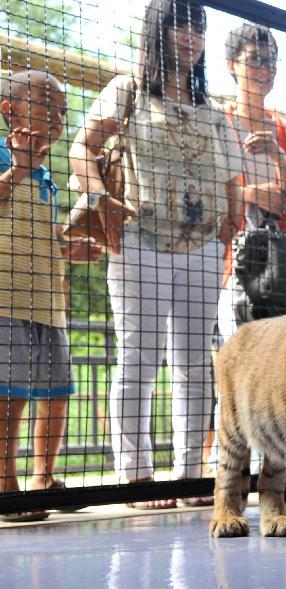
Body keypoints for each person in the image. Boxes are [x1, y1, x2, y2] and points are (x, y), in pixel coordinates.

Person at [70, 0, 244, 508]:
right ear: (159, 30)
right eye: (180, 26)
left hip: (203, 248)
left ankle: (190, 474)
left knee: (194, 362)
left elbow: (232, 177)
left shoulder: (211, 109)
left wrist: (227, 228)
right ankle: (136, 476)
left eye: (198, 28)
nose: (190, 37)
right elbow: (83, 147)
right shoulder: (127, 90)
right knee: (139, 358)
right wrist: (101, 200)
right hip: (137, 241)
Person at [0, 70, 102, 522]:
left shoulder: (46, 175)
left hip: (48, 304)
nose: (58, 118)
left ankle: (44, 480)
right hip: (7, 299)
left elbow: (39, 231)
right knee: (9, 396)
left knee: (57, 392)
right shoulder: (8, 158)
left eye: (62, 111)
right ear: (10, 111)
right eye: (47, 105)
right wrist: (16, 168)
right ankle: (7, 486)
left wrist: (68, 247)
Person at [217, 22, 286, 339]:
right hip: (229, 262)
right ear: (232, 65)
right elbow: (209, 194)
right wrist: (255, 193)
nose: (265, 69)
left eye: (271, 61)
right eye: (255, 59)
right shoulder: (218, 122)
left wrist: (278, 156)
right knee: (237, 363)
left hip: (281, 266)